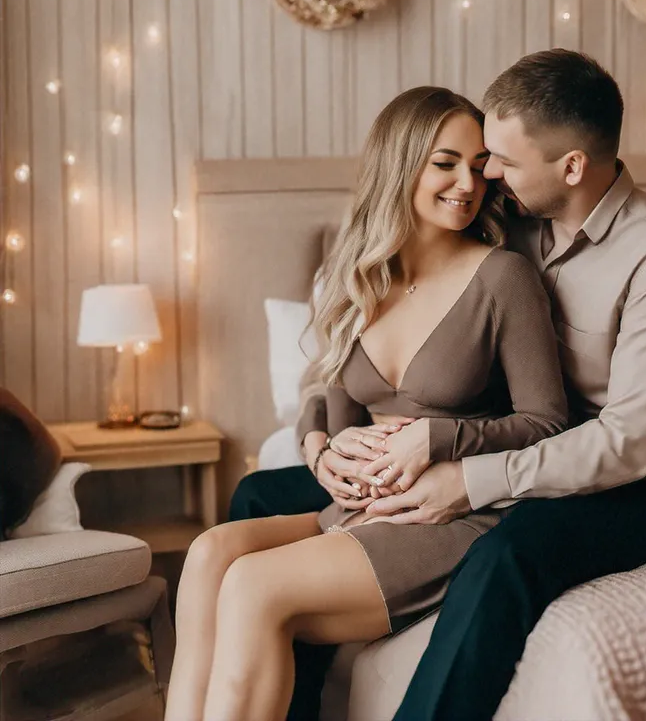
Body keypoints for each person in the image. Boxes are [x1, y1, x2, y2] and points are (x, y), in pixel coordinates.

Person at [230, 48, 646, 721]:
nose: (484, 174)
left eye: (503, 160)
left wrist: (466, 480)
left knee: (505, 558)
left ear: (571, 165)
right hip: (504, 443)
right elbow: (361, 341)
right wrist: (320, 439)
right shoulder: (510, 221)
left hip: (624, 488)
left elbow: (631, 446)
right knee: (260, 492)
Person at [164, 86, 568, 721]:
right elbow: (331, 390)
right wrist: (318, 448)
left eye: (478, 164)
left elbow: (548, 422)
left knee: (253, 585)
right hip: (363, 503)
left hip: (450, 513)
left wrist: (436, 440)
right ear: (401, 162)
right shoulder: (361, 271)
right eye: (446, 162)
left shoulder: (502, 278)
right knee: (211, 552)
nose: (468, 182)